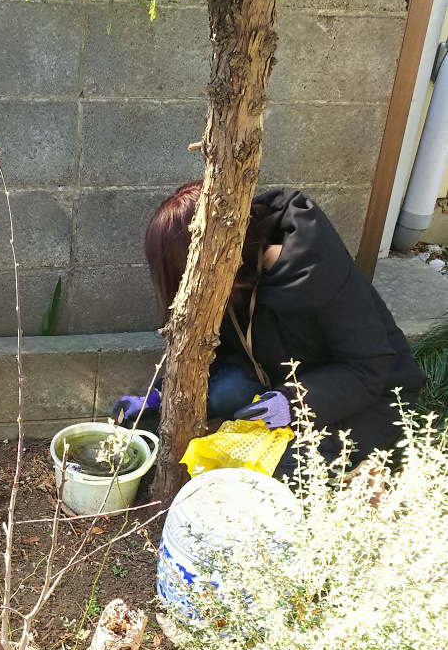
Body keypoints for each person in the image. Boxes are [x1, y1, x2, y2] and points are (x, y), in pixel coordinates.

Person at [112, 184, 425, 476]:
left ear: (210, 259)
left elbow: (368, 368)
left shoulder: (317, 270)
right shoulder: (235, 275)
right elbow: (215, 351)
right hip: (282, 382)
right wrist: (162, 395)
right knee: (226, 393)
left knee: (273, 467)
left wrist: (294, 403)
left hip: (372, 400)